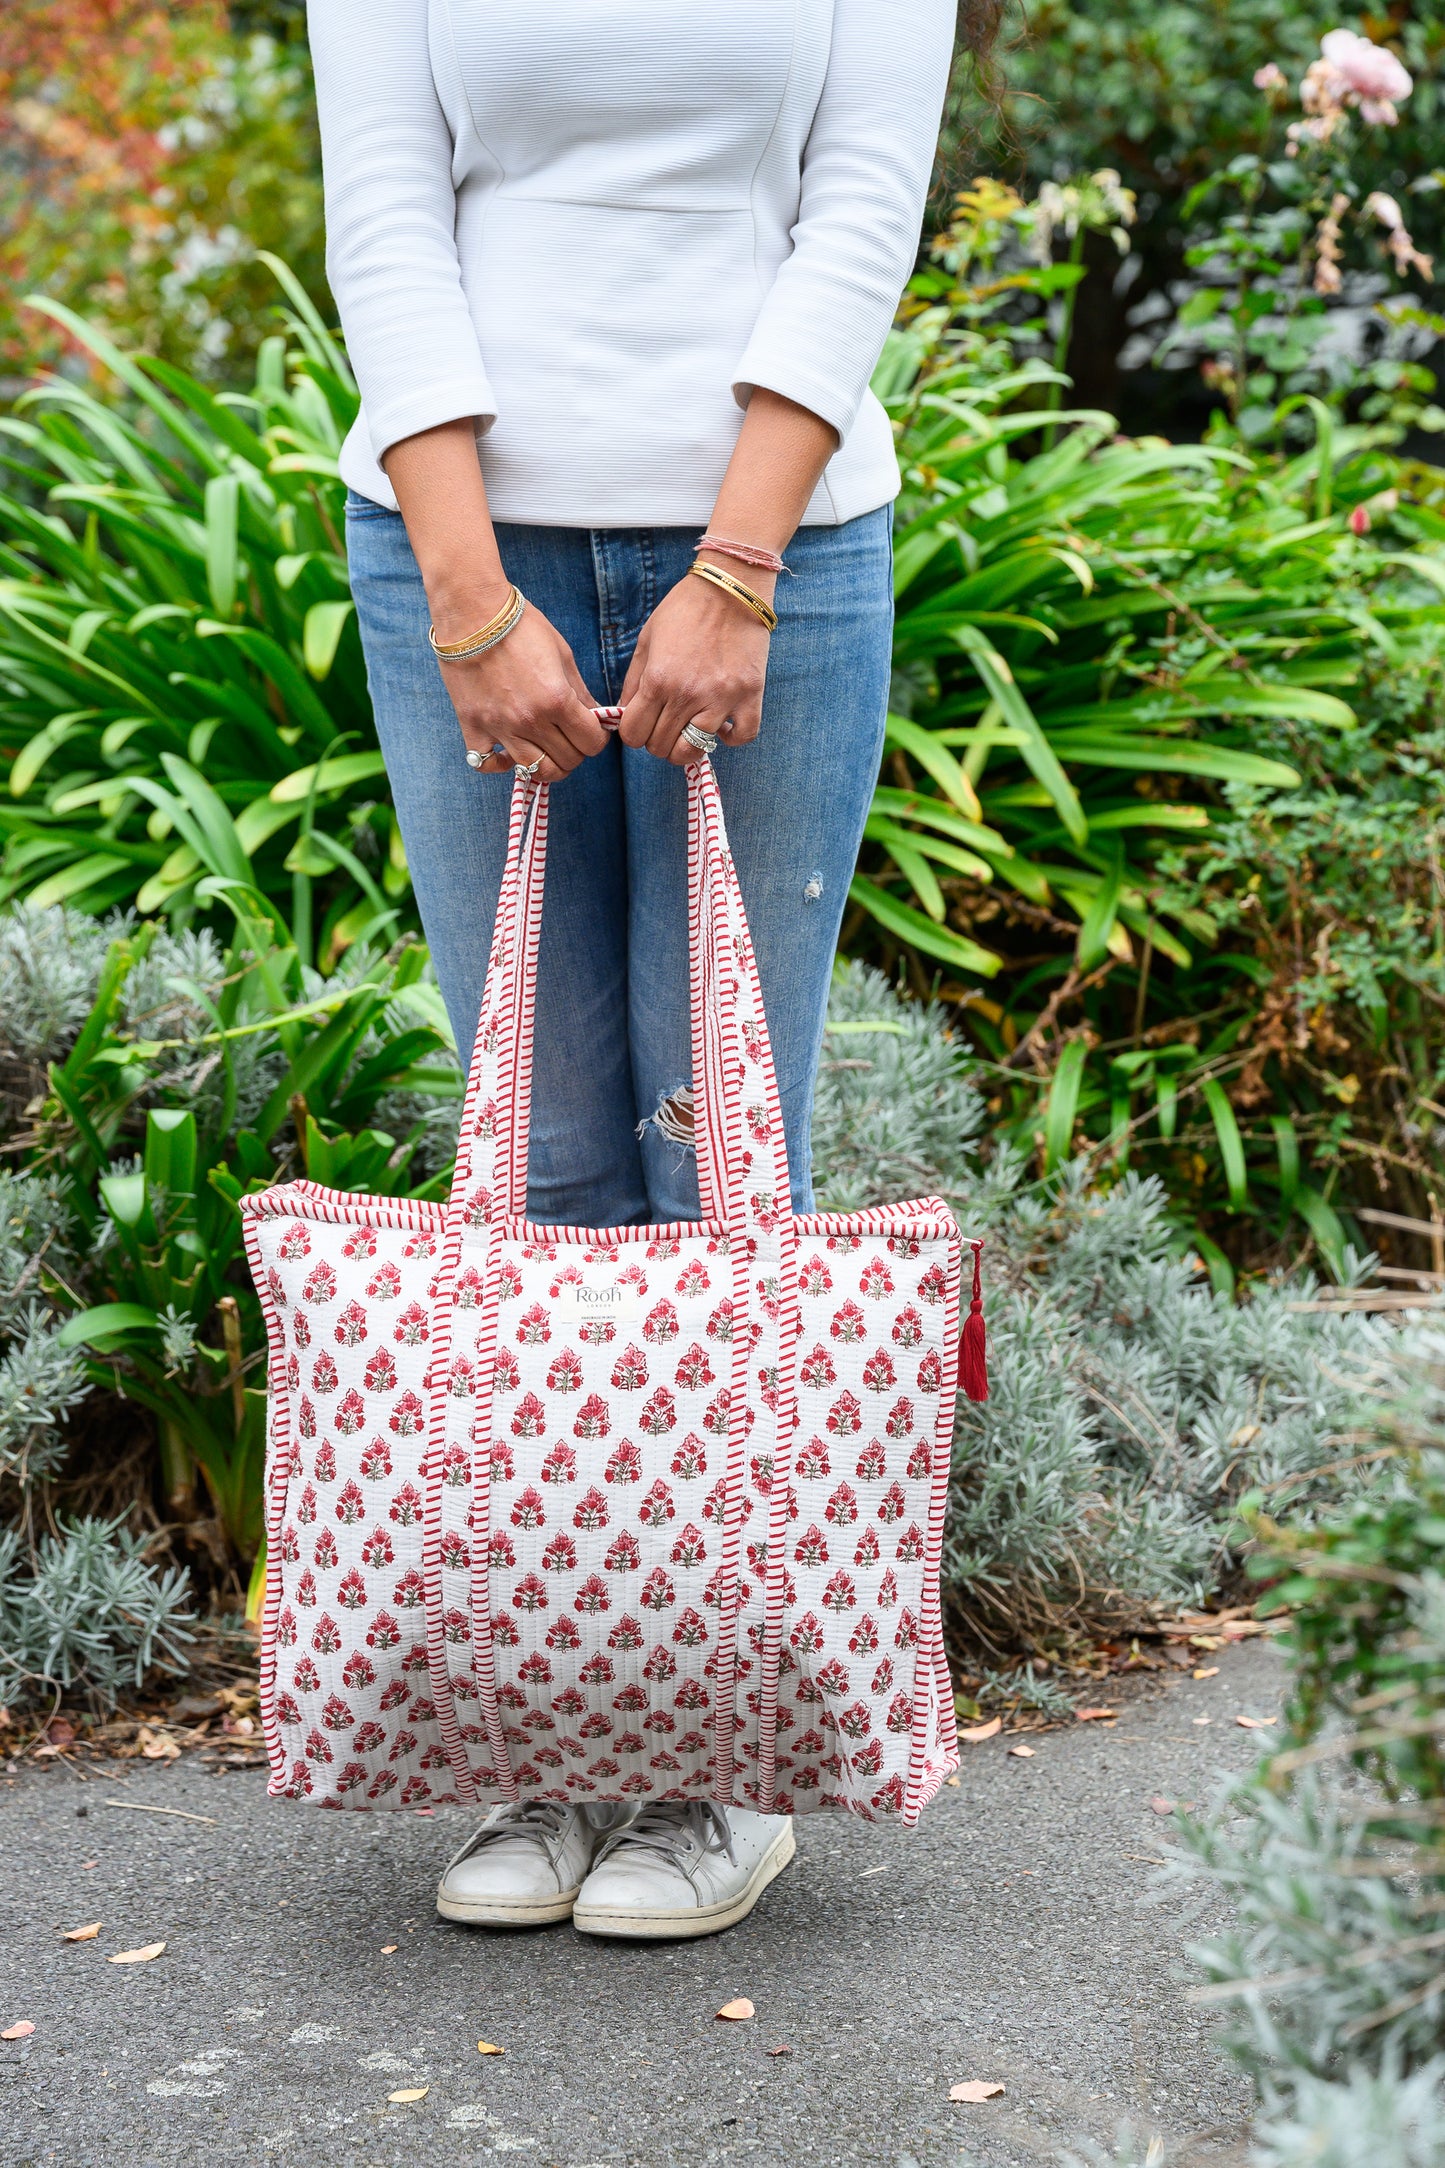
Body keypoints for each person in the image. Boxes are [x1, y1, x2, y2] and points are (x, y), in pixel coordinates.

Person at [311, 0, 988, 1939]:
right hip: (458, 547)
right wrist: (462, 588)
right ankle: (544, 1726)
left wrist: (742, 565)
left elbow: (859, 204)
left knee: (718, 1140)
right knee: (544, 1143)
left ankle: (720, 1758)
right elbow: (388, 212)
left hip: (783, 550)